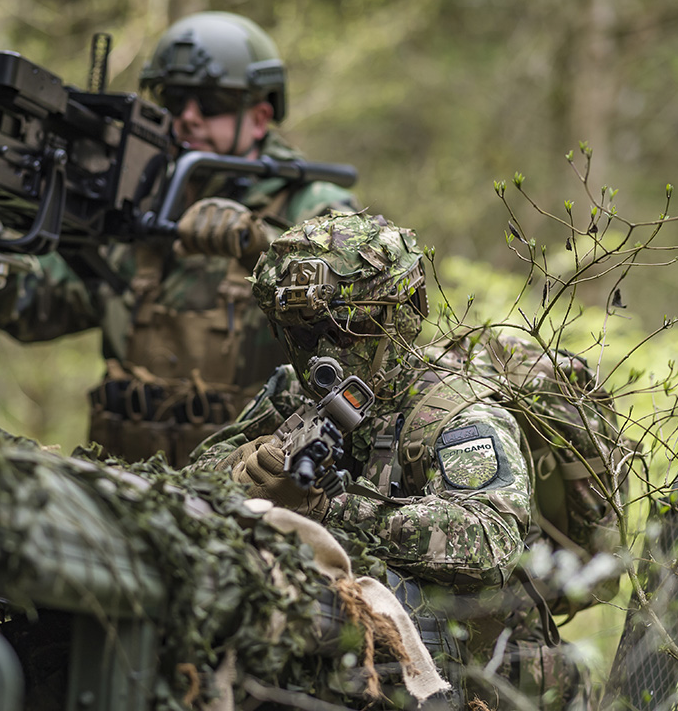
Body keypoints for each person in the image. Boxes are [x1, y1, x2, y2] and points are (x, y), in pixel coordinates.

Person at [188, 212, 589, 709]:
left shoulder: (454, 413)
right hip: (350, 650)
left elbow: (487, 541)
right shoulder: (292, 392)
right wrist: (238, 471)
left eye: (351, 328)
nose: (324, 353)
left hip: (485, 672)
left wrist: (331, 512)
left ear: (402, 314)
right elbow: (192, 476)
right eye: (303, 334)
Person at [0, 11, 357, 465]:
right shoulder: (133, 199)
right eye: (173, 98)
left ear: (260, 117)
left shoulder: (314, 208)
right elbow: (35, 309)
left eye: (212, 101)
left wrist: (262, 252)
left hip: (253, 488)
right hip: (125, 484)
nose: (187, 117)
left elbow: (356, 331)